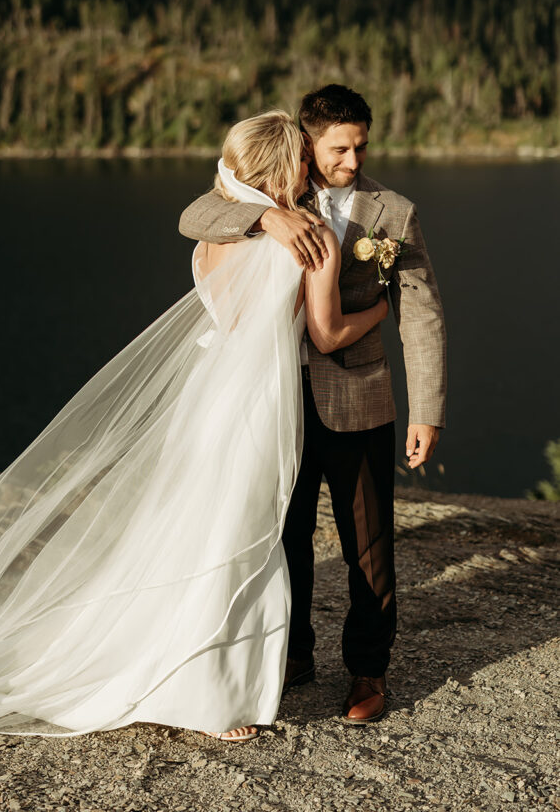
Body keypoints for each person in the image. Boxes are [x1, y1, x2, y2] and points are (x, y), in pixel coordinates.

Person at [0, 110, 388, 746]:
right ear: (287, 168)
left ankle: (183, 670)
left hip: (207, 403)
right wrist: (380, 311)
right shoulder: (310, 237)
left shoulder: (213, 239)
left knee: (194, 527)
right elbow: (326, 333)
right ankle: (212, 693)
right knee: (242, 536)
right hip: (260, 404)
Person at [179, 84, 447, 724]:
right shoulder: (278, 191)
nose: (351, 161)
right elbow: (195, 215)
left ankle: (368, 672)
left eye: (360, 147)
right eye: (338, 148)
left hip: (358, 398)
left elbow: (423, 314)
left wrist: (426, 409)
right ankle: (294, 654)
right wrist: (266, 216)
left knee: (368, 544)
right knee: (285, 535)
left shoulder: (393, 213)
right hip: (275, 401)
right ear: (308, 143)